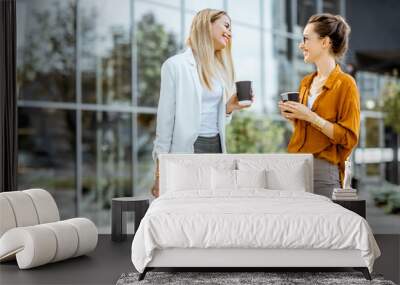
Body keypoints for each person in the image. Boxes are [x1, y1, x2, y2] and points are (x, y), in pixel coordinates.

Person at [151, 9, 253, 197]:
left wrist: (229, 109)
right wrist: (159, 172)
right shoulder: (175, 66)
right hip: (189, 148)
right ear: (207, 24)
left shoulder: (220, 71)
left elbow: (215, 118)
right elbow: (164, 124)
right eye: (226, 25)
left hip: (216, 147)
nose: (230, 33)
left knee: (214, 206)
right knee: (188, 206)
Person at [278, 13, 360, 198]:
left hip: (323, 172)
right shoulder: (306, 82)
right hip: (294, 167)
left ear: (325, 42)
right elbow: (309, 130)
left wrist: (310, 116)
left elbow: (348, 137)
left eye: (306, 39)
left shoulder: (345, 84)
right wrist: (295, 117)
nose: (301, 45)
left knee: (323, 226)